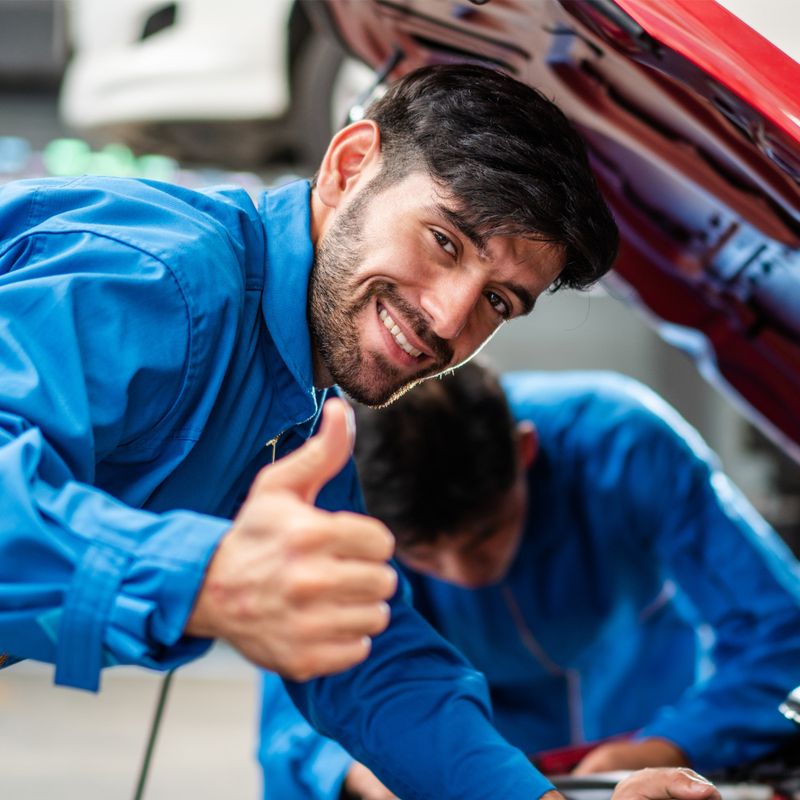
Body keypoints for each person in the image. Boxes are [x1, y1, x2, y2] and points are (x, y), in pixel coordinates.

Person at [0, 61, 712, 800]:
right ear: (349, 167)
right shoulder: (166, 283)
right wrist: (203, 577)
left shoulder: (299, 406)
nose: (448, 319)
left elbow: (368, 658)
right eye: (444, 241)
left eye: (498, 301)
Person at [259, 362, 800, 799]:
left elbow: (782, 633)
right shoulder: (341, 505)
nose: (463, 573)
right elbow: (302, 704)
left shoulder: (623, 443)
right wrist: (374, 776)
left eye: (484, 536)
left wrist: (671, 746)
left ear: (525, 451)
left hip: (643, 744)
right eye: (424, 555)